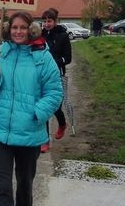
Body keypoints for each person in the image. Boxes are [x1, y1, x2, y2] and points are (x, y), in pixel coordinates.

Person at [0, 11, 63, 206]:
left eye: (23, 27)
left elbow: (54, 93)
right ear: (8, 29)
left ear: (31, 30)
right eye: (15, 27)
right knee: (2, 189)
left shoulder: (43, 57)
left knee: (25, 186)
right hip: (0, 133)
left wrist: (36, 114)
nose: (18, 31)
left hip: (29, 133)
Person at [40, 8, 72, 153]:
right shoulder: (39, 35)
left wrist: (55, 62)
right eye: (45, 21)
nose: (47, 24)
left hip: (57, 75)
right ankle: (44, 140)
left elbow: (68, 58)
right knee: (43, 107)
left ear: (55, 21)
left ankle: (62, 123)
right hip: (41, 75)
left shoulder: (63, 36)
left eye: (49, 21)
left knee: (55, 107)